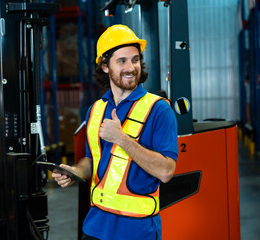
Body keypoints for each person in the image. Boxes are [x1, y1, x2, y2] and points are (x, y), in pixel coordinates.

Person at [52, 24, 178, 240]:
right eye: (122, 61)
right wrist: (74, 173)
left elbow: (166, 171)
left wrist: (121, 138)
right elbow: (92, 160)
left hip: (138, 231)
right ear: (105, 66)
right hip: (94, 227)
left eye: (135, 59)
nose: (131, 67)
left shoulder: (159, 109)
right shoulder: (96, 109)